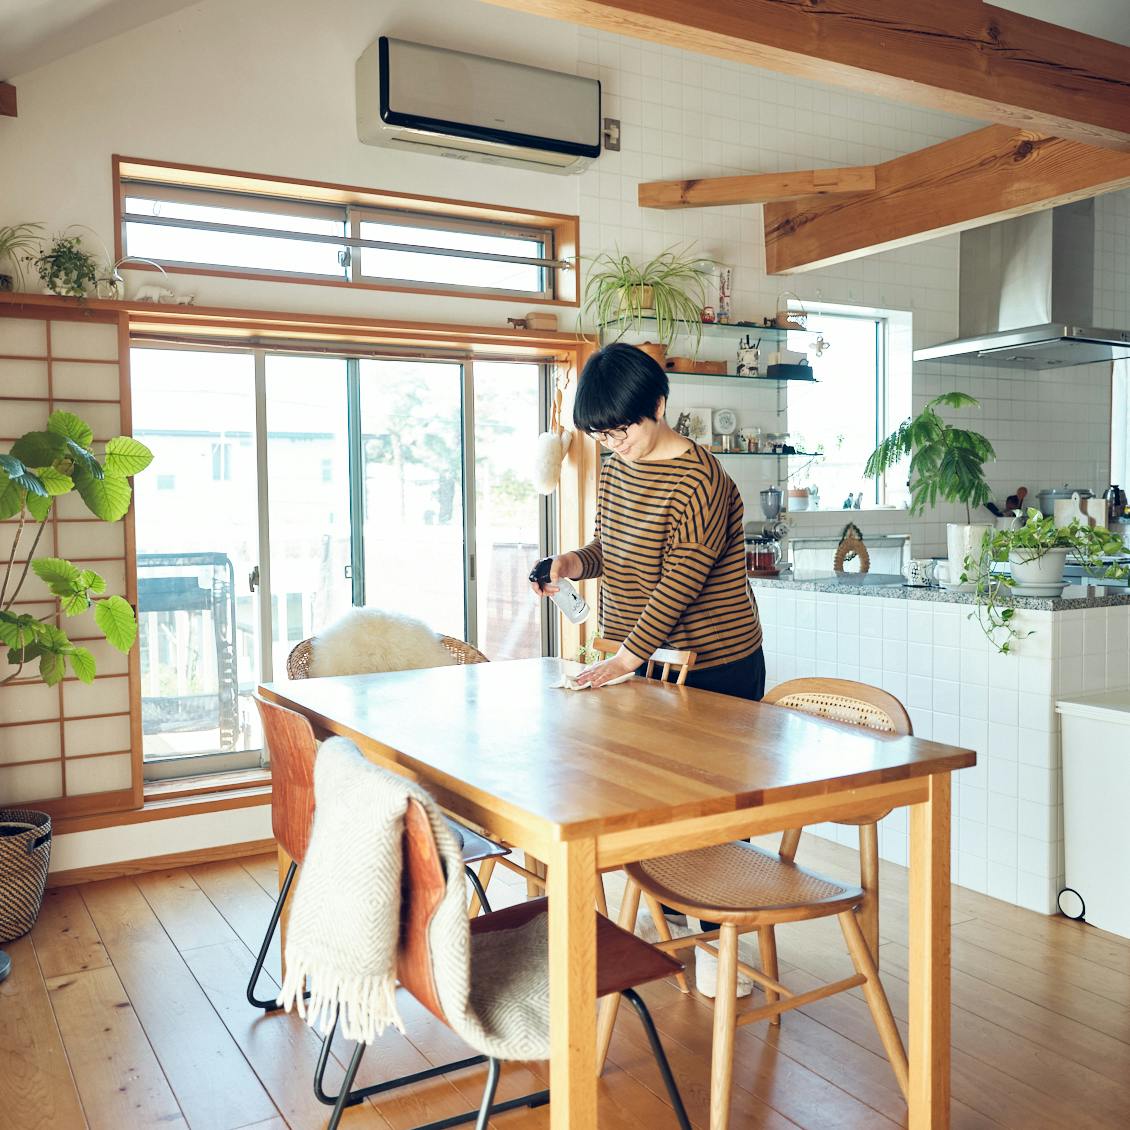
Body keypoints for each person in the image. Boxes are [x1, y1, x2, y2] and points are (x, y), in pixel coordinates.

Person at [530, 342, 765, 699]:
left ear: (658, 405)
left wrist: (624, 661)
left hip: (711, 664)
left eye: (621, 430)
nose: (613, 443)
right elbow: (607, 549)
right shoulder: (615, 471)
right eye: (601, 434)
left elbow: (680, 584)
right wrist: (569, 563)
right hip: (640, 654)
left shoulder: (701, 481)